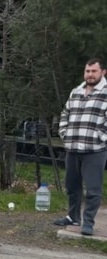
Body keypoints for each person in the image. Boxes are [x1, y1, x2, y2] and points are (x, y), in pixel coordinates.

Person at [54, 58, 107, 236]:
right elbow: (65, 113)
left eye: (94, 71)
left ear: (103, 72)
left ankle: (89, 223)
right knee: (72, 187)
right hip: (72, 148)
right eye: (87, 71)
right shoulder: (76, 91)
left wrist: (100, 137)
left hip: (94, 151)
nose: (90, 75)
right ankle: (73, 217)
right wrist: (64, 133)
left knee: (93, 190)